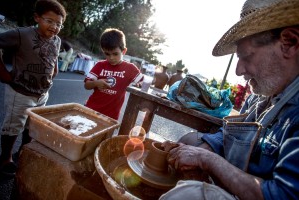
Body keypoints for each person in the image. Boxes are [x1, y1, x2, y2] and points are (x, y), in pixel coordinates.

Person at [159, 0, 299, 199]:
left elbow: (282, 194)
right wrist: (205, 148)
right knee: (189, 141)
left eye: (247, 57)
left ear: (289, 43)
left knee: (188, 195)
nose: (239, 70)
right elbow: (231, 134)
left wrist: (206, 159)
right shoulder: (262, 97)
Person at [0, 0, 66, 177]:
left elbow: (54, 57)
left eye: (59, 23)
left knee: (32, 127)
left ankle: (22, 152)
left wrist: (55, 70)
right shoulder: (22, 34)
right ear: (37, 17)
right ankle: (5, 158)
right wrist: (3, 73)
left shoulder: (57, 40)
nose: (54, 26)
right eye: (49, 21)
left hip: (42, 94)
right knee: (13, 126)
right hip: (20, 92)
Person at [84, 28, 143, 120]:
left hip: (111, 115)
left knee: (106, 134)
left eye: (115, 54)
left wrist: (139, 85)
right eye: (107, 54)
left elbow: (142, 83)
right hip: (91, 109)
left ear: (123, 51)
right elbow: (87, 85)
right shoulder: (100, 65)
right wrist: (96, 83)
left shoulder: (130, 68)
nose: (111, 58)